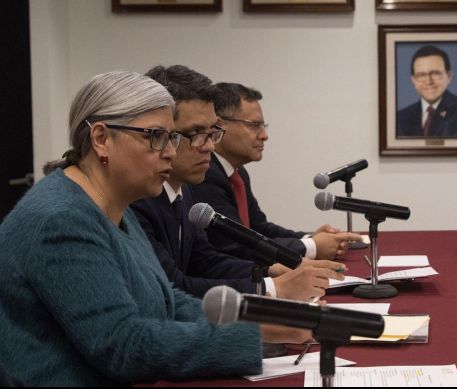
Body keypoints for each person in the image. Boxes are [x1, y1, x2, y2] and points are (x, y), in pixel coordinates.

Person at [0, 71, 263, 385]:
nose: (169, 151)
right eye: (155, 137)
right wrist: (252, 337)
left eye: (172, 137)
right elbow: (122, 345)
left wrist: (254, 317)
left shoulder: (114, 206)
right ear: (101, 139)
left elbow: (168, 302)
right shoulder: (60, 219)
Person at [132, 66, 344, 304]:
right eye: (196, 133)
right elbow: (174, 286)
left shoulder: (185, 187)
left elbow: (204, 259)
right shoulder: (138, 200)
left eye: (212, 132)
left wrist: (269, 270)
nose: (210, 146)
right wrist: (271, 287)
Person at [191, 83, 362, 261]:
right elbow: (235, 245)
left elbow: (259, 229)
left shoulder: (237, 173)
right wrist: (312, 247)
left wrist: (308, 239)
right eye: (255, 125)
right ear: (219, 126)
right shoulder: (206, 174)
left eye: (263, 126)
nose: (264, 135)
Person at [396, 45, 457, 138]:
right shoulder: (400, 118)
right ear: (413, 81)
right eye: (421, 75)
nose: (429, 81)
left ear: (449, 76)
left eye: (435, 73)